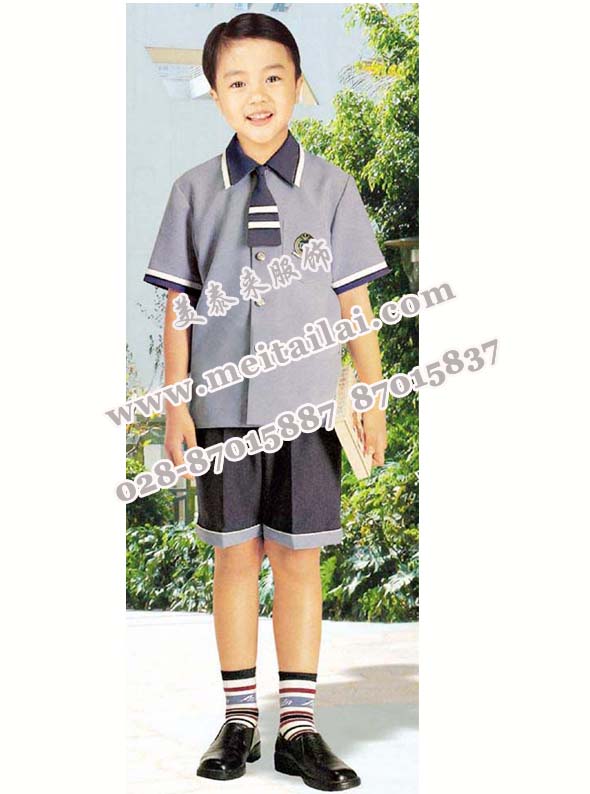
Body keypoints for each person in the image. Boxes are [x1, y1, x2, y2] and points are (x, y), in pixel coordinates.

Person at [144, 12, 389, 791]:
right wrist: (176, 406)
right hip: (219, 410)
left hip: (308, 409)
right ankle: (241, 718)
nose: (257, 96)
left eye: (273, 77)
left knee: (297, 558)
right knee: (234, 558)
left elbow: (355, 302)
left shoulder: (332, 188)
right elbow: (178, 308)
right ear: (215, 94)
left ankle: (299, 730)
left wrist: (372, 392)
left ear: (298, 85)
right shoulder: (192, 193)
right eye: (237, 81)